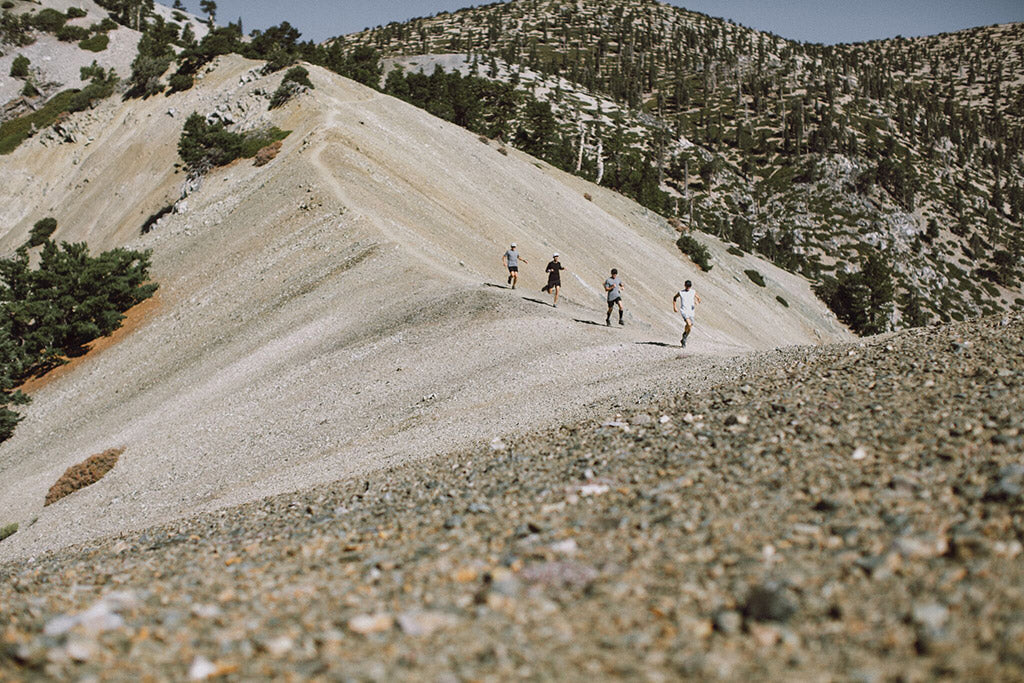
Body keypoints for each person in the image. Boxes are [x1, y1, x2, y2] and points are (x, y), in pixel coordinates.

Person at [672, 280, 701, 347]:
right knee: (689, 323)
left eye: (689, 286)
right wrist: (674, 307)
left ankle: (684, 337)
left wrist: (697, 302)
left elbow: (699, 299)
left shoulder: (693, 292)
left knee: (690, 327)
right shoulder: (681, 292)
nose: (688, 287)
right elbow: (674, 298)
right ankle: (684, 337)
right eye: (687, 286)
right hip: (684, 311)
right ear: (684, 285)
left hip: (691, 311)